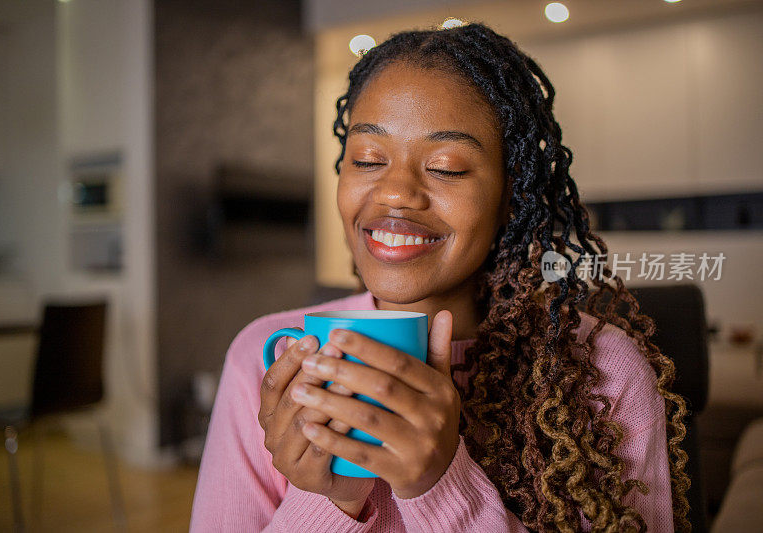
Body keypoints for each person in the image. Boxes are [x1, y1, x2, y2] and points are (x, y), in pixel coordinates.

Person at [190, 21, 690, 532]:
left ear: (510, 200)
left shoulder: (604, 372)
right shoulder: (264, 357)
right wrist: (328, 501)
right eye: (367, 159)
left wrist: (439, 485)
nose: (396, 192)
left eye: (447, 167)